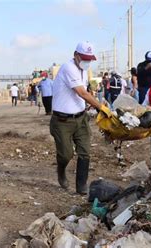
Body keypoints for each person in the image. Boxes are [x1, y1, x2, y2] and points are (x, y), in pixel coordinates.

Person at [50, 41, 111, 194]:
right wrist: (100, 107)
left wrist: (92, 104)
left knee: (85, 152)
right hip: (62, 121)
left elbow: (84, 93)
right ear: (75, 55)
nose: (87, 61)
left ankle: (81, 186)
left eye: (89, 59)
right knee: (66, 154)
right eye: (84, 58)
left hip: (81, 118)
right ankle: (61, 170)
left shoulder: (83, 71)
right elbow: (81, 93)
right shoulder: (68, 67)